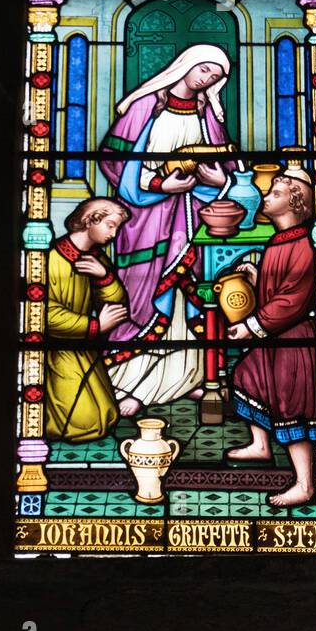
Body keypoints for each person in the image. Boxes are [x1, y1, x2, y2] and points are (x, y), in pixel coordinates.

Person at [100, 44, 233, 416]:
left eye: (214, 76)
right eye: (204, 69)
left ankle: (183, 378)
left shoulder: (208, 114)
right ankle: (130, 382)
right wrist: (159, 186)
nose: (206, 78)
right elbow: (113, 163)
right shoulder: (145, 106)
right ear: (187, 65)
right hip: (144, 220)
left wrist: (216, 178)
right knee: (142, 298)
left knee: (185, 296)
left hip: (189, 217)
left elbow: (227, 166)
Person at [226, 169, 316, 508]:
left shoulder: (304, 243)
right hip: (274, 339)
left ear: (295, 204)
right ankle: (261, 446)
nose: (266, 197)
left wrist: (251, 326)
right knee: (247, 377)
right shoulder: (280, 240)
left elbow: (291, 299)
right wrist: (257, 274)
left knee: (290, 407)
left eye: (275, 193)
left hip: (292, 340)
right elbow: (278, 284)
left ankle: (305, 484)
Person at [44, 198, 131, 442]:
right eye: (110, 225)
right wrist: (95, 326)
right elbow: (44, 314)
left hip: (84, 348)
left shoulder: (95, 259)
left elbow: (117, 303)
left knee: (107, 415)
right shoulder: (52, 260)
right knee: (83, 423)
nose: (113, 234)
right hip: (56, 351)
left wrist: (105, 278)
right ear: (89, 221)